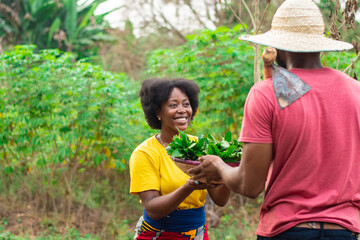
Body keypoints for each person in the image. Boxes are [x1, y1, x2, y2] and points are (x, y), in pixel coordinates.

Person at [188, 0, 360, 239]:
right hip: (344, 231)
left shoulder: (266, 92)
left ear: (278, 45)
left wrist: (217, 164)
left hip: (287, 229)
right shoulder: (356, 91)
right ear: (320, 46)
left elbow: (249, 186)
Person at [129, 78, 231, 239]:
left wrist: (227, 170)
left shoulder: (199, 146)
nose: (182, 110)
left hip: (197, 234)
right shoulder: (145, 153)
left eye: (186, 104)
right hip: (159, 235)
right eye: (173, 105)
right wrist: (189, 187)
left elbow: (220, 199)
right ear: (157, 112)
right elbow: (152, 209)